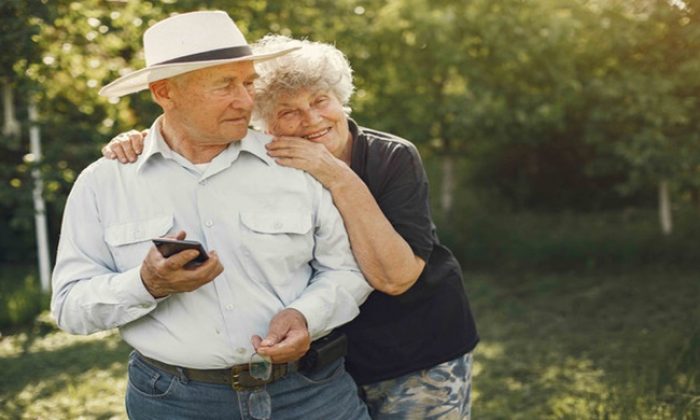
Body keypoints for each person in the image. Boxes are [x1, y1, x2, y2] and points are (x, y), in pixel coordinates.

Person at [105, 36, 479, 419]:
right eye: (289, 112)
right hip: (323, 365)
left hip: (416, 353)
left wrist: (336, 175)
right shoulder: (267, 162)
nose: (312, 120)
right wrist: (144, 140)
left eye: (320, 101)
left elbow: (397, 278)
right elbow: (190, 141)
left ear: (340, 98)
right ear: (263, 125)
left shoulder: (391, 157)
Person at [51, 12, 374, 420]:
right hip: (174, 403)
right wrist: (146, 284)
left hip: (310, 395)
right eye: (225, 85)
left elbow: (347, 271)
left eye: (247, 82)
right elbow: (69, 307)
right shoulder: (104, 183)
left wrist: (305, 315)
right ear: (165, 92)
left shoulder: (294, 164)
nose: (246, 100)